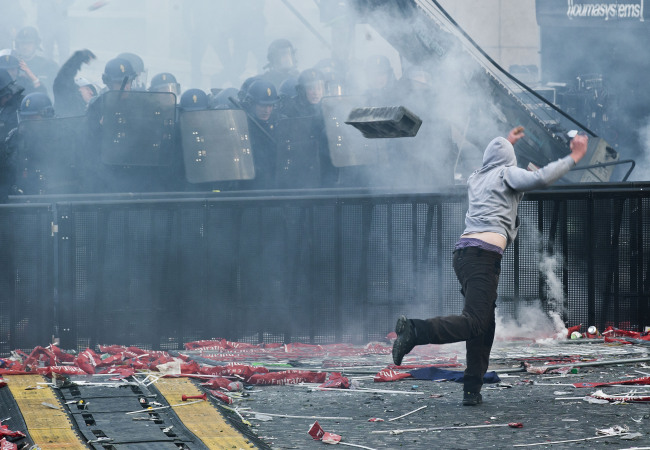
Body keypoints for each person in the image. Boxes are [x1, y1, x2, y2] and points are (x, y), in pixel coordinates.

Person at [391, 126, 588, 406]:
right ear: (508, 161)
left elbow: (493, 160)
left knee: (484, 326)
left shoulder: (477, 177)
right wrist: (575, 157)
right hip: (481, 257)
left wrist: (505, 144)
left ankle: (472, 388)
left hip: (466, 255)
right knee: (475, 322)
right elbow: (541, 178)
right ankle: (415, 330)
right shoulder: (506, 174)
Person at [13, 27, 59, 97]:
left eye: (29, 43)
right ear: (17, 45)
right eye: (22, 43)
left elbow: (55, 92)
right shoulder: (12, 66)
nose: (25, 47)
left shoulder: (50, 66)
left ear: (36, 44)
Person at [53, 49, 97, 117]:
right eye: (87, 89)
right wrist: (77, 58)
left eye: (93, 90)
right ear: (78, 89)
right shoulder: (68, 102)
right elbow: (63, 78)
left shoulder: (94, 113)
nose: (91, 93)